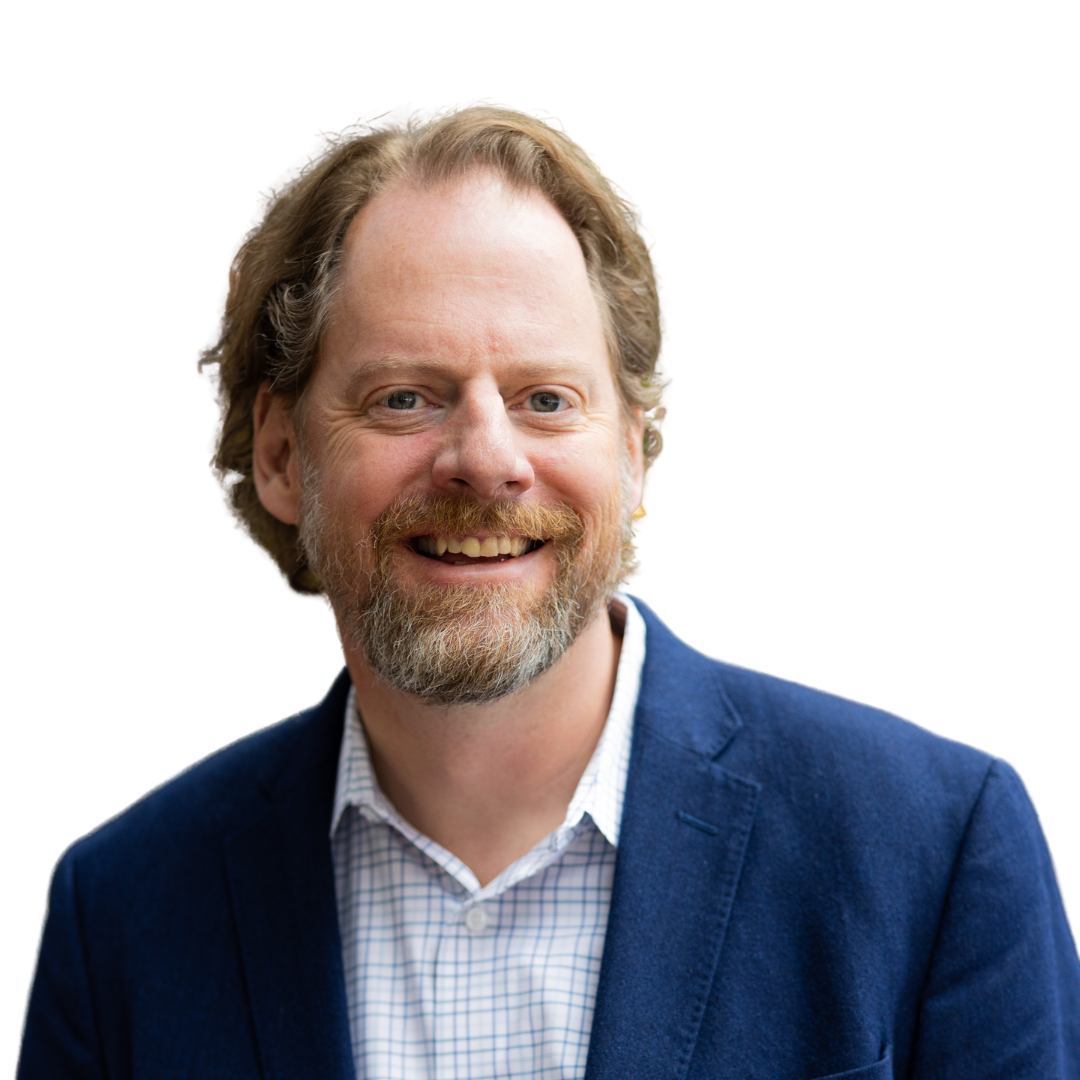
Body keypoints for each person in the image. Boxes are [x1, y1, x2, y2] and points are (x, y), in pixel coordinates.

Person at [16, 100, 1079, 1080]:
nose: (486, 461)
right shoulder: (119, 913)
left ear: (637, 454)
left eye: (546, 398)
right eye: (404, 397)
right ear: (282, 455)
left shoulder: (937, 848)